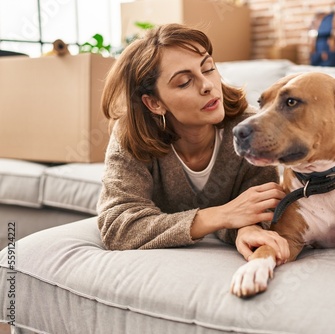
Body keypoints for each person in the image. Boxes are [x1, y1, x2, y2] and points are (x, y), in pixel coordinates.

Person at [97, 23, 289, 264]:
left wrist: (246, 229)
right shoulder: (131, 136)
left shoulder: (249, 129)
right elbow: (118, 227)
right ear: (154, 103)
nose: (207, 85)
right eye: (185, 82)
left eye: (208, 69)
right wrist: (218, 216)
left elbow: (261, 207)